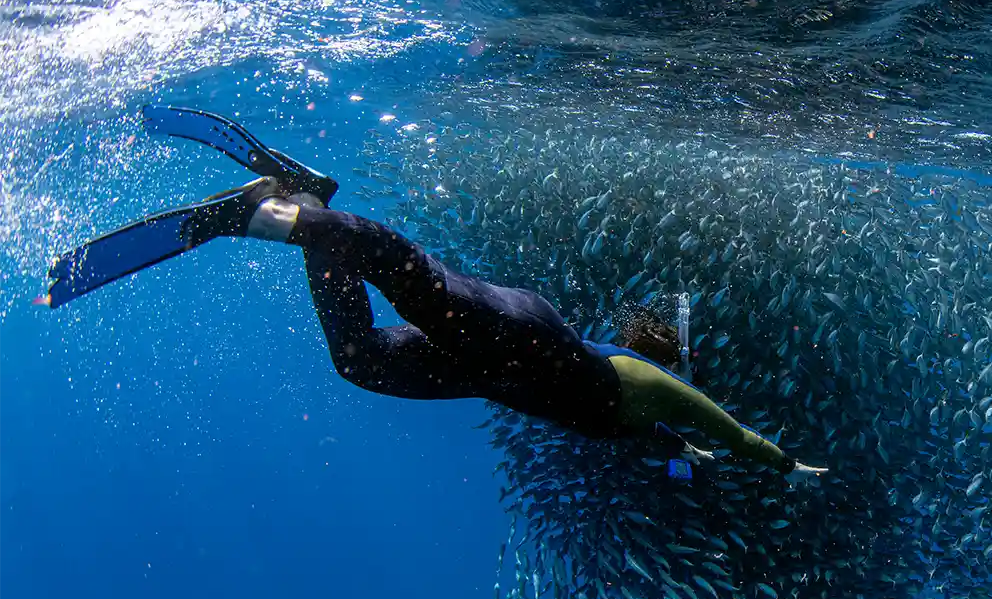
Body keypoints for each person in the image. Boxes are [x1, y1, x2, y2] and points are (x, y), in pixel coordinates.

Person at [43, 106, 825, 480]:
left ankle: (308, 203)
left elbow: (673, 436)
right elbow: (722, 424)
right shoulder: (649, 385)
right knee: (416, 285)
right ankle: (260, 217)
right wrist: (777, 460)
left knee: (360, 362)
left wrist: (680, 455)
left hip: (492, 373)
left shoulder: (645, 427)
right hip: (526, 340)